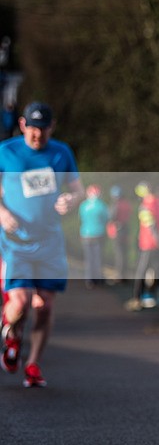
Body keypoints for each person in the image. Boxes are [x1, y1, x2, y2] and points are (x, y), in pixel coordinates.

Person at [0, 101, 85, 387]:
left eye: (44, 129)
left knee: (45, 305)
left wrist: (71, 200)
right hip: (16, 242)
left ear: (52, 127)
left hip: (50, 242)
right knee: (21, 302)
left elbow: (78, 190)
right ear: (23, 125)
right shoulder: (6, 151)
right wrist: (2, 212)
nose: (38, 135)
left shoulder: (61, 153)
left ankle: (33, 364)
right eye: (33, 129)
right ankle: (10, 332)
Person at [125, 181, 159, 311]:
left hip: (149, 244)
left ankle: (137, 299)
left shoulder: (146, 205)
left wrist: (158, 240)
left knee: (141, 272)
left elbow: (150, 224)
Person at [79, 184, 109, 288]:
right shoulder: (101, 205)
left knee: (89, 258)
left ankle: (89, 280)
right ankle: (98, 278)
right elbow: (106, 219)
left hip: (85, 234)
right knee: (98, 258)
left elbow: (81, 218)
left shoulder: (83, 205)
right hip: (98, 234)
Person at [107, 185, 133, 283]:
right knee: (125, 253)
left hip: (118, 230)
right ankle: (125, 274)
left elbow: (111, 217)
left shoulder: (116, 204)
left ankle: (119, 275)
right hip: (126, 229)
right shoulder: (127, 203)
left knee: (119, 254)